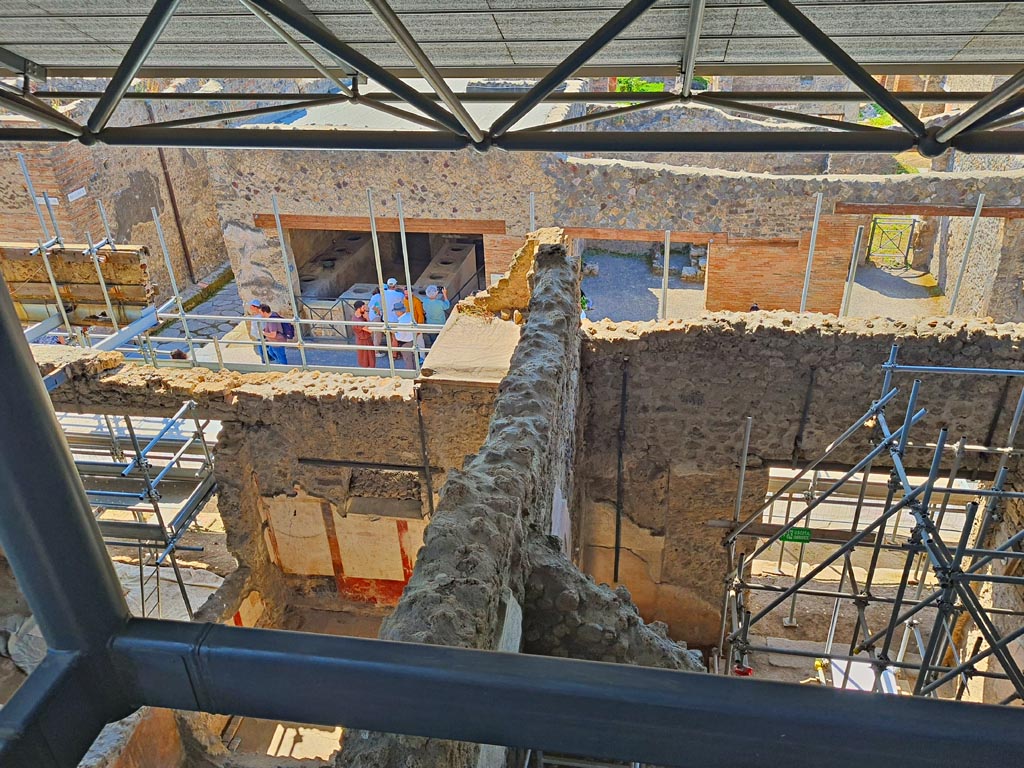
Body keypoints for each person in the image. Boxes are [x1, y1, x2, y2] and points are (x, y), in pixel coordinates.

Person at [351, 300, 376, 368]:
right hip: (363, 340)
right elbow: (370, 330)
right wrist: (367, 318)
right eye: (363, 308)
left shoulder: (360, 317)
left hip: (366, 339)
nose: (365, 309)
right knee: (366, 358)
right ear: (358, 309)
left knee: (370, 357)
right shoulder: (357, 320)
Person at [392, 301, 416, 369]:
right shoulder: (410, 315)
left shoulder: (402, 322)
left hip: (405, 343)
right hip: (412, 340)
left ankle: (410, 373)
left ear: (399, 312)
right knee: (413, 359)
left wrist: (394, 332)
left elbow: (399, 337)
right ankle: (415, 372)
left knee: (408, 360)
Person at [367, 288, 386, 358]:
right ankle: (376, 352)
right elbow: (372, 306)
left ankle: (373, 350)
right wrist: (379, 312)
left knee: (374, 335)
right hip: (376, 318)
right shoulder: (379, 297)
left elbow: (369, 306)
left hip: (372, 317)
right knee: (377, 336)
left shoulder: (374, 296)